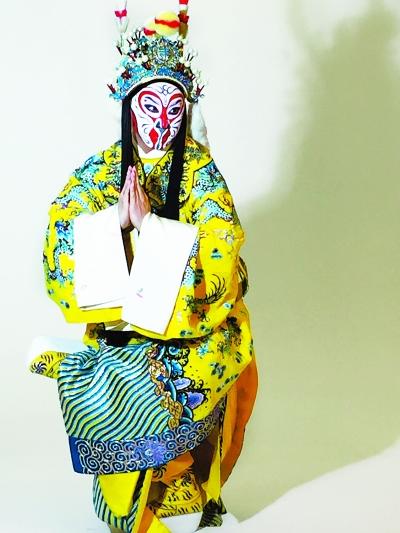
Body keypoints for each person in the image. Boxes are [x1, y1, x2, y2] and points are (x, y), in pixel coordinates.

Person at [29, 3, 258, 532]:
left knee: (187, 380)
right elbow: (61, 237)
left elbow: (220, 250)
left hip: (194, 330)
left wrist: (152, 228)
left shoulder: (201, 172)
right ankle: (129, 507)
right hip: (119, 328)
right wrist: (117, 224)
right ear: (128, 106)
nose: (161, 122)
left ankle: (187, 495)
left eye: (174, 108)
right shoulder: (101, 170)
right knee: (106, 388)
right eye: (149, 106)